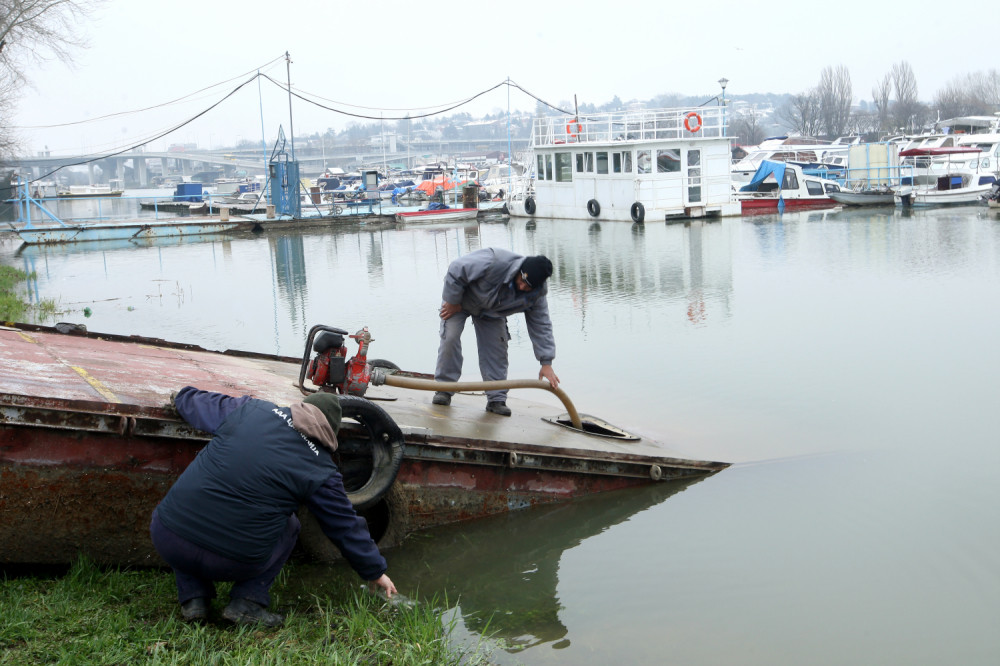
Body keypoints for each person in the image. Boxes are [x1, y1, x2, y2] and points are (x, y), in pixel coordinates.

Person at [150, 387, 396, 627]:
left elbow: (200, 404)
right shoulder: (321, 469)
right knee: (290, 526)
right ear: (330, 432)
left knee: (187, 505)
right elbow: (345, 527)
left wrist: (183, 395)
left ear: (300, 409)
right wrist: (375, 571)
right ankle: (247, 602)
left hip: (167, 538)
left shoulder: (250, 411)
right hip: (234, 562)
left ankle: (194, 599)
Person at [433, 248, 559, 416]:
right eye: (522, 280)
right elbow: (457, 269)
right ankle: (444, 389)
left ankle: (496, 399)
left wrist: (546, 362)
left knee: (497, 348)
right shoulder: (493, 261)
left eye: (528, 287)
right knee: (450, 337)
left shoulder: (537, 296)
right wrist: (452, 300)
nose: (522, 286)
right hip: (460, 300)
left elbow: (541, 325)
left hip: (491, 312)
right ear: (520, 271)